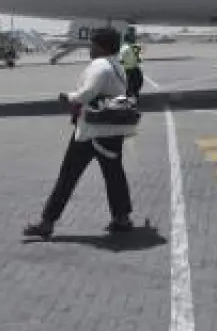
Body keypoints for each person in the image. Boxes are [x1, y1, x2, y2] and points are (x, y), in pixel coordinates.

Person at [24, 27, 137, 238]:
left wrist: (68, 97)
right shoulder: (117, 65)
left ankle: (47, 222)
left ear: (101, 47)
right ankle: (122, 218)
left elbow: (86, 94)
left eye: (92, 45)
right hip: (113, 130)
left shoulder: (99, 66)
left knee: (68, 175)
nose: (90, 49)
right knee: (114, 175)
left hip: (91, 132)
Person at [119, 27, 145, 98]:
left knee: (138, 82)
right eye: (132, 36)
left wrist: (138, 58)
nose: (134, 38)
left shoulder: (135, 47)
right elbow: (120, 59)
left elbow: (138, 57)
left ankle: (134, 94)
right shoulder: (125, 47)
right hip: (128, 70)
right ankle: (130, 96)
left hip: (134, 68)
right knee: (130, 85)